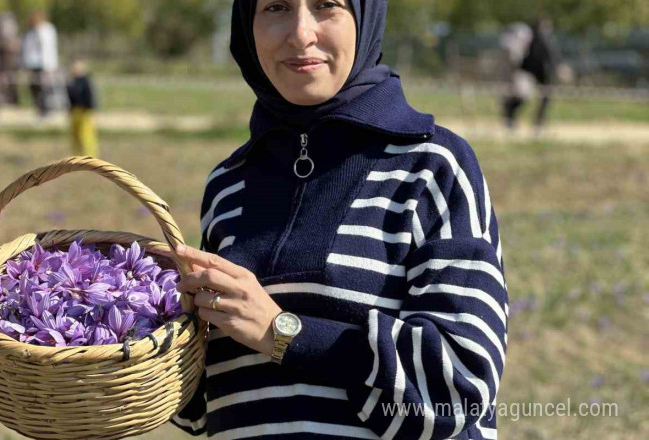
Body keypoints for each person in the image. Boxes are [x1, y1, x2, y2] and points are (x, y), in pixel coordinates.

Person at [170, 1, 508, 439]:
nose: (300, 34)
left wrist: (284, 333)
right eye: (275, 8)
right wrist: (166, 336)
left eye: (326, 6)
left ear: (366, 18)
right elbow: (209, 408)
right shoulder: (227, 185)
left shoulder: (432, 168)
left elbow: (460, 384)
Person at [502, 18, 560, 132]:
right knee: (523, 96)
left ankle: (538, 121)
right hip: (527, 70)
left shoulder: (547, 40)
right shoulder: (531, 38)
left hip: (541, 72)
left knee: (546, 96)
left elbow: (551, 56)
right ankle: (509, 114)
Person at [22, 11, 59, 118]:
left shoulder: (48, 30)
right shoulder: (30, 32)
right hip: (33, 64)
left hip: (46, 64)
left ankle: (47, 110)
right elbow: (27, 49)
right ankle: (38, 109)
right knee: (34, 87)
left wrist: (50, 65)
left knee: (46, 88)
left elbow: (49, 49)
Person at [66, 58, 98, 157]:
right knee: (75, 136)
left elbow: (90, 97)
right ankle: (76, 157)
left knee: (86, 135)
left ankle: (90, 156)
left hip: (85, 111)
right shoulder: (71, 81)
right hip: (74, 111)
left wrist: (90, 109)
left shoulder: (86, 81)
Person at [0, 12, 21, 105]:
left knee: (12, 80)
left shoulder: (15, 38)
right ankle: (3, 100)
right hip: (2, 62)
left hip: (12, 62)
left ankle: (13, 100)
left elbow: (16, 47)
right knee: (2, 81)